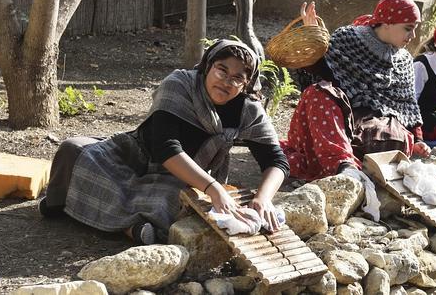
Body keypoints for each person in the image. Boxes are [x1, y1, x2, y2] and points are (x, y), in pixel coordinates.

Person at [38, 40, 289, 244]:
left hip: (184, 175)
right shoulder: (180, 85)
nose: (226, 81)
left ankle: (131, 228)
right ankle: (66, 204)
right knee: (74, 150)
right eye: (222, 70)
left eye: (237, 78)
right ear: (207, 66)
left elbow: (275, 160)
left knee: (172, 200)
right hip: (134, 157)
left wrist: (263, 198)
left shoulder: (247, 109)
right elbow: (165, 148)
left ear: (245, 85)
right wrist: (214, 188)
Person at [280, 0, 431, 183]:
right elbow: (323, 74)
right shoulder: (348, 38)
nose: (413, 36)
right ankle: (344, 166)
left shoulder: (405, 60)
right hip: (344, 123)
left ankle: (359, 168)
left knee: (394, 136)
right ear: (387, 23)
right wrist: (314, 41)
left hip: (382, 133)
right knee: (317, 93)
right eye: (408, 29)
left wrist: (418, 141)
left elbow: (408, 106)